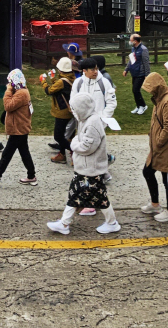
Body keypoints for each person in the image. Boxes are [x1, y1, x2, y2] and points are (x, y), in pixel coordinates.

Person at [45, 93, 120, 235]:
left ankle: (111, 223)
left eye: (74, 108)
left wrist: (73, 144)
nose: (72, 111)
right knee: (76, 195)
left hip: (91, 170)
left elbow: (87, 147)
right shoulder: (86, 120)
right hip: (86, 169)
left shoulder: (93, 123)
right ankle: (64, 223)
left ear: (82, 109)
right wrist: (76, 142)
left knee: (100, 198)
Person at [139, 72, 168, 222]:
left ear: (157, 88)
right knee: (147, 172)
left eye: (150, 89)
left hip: (165, 147)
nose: (149, 92)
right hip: (157, 147)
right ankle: (155, 204)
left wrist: (158, 142)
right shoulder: (159, 99)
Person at [0, 69, 37, 186]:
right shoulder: (22, 91)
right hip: (20, 128)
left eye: (10, 82)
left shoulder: (21, 93)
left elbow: (8, 106)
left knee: (7, 154)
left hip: (18, 129)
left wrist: (8, 89)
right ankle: (31, 175)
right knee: (24, 153)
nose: (9, 84)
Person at [43, 57, 75, 164]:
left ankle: (74, 151)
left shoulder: (61, 81)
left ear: (61, 70)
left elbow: (50, 90)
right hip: (69, 110)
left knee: (58, 136)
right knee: (67, 135)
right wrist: (53, 79)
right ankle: (62, 155)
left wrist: (43, 82)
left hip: (62, 111)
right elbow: (60, 87)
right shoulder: (71, 78)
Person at [124, 33, 150, 115]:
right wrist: (126, 69)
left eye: (131, 40)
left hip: (140, 73)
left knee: (136, 90)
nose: (130, 42)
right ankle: (138, 105)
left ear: (135, 41)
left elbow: (146, 63)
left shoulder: (143, 49)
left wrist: (147, 74)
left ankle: (143, 106)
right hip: (134, 72)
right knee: (134, 90)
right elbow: (131, 60)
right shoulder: (133, 49)